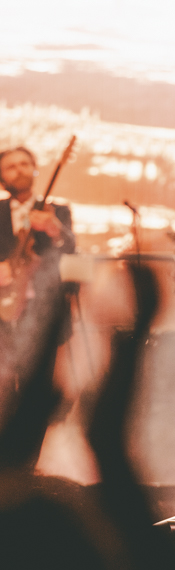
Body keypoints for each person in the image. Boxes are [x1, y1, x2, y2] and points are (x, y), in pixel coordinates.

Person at [0, 146, 75, 391]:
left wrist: (55, 229)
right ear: (2, 179)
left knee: (39, 387)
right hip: (3, 309)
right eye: (11, 167)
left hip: (43, 309)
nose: (19, 170)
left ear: (34, 169)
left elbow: (71, 248)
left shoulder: (58, 211)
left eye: (24, 164)